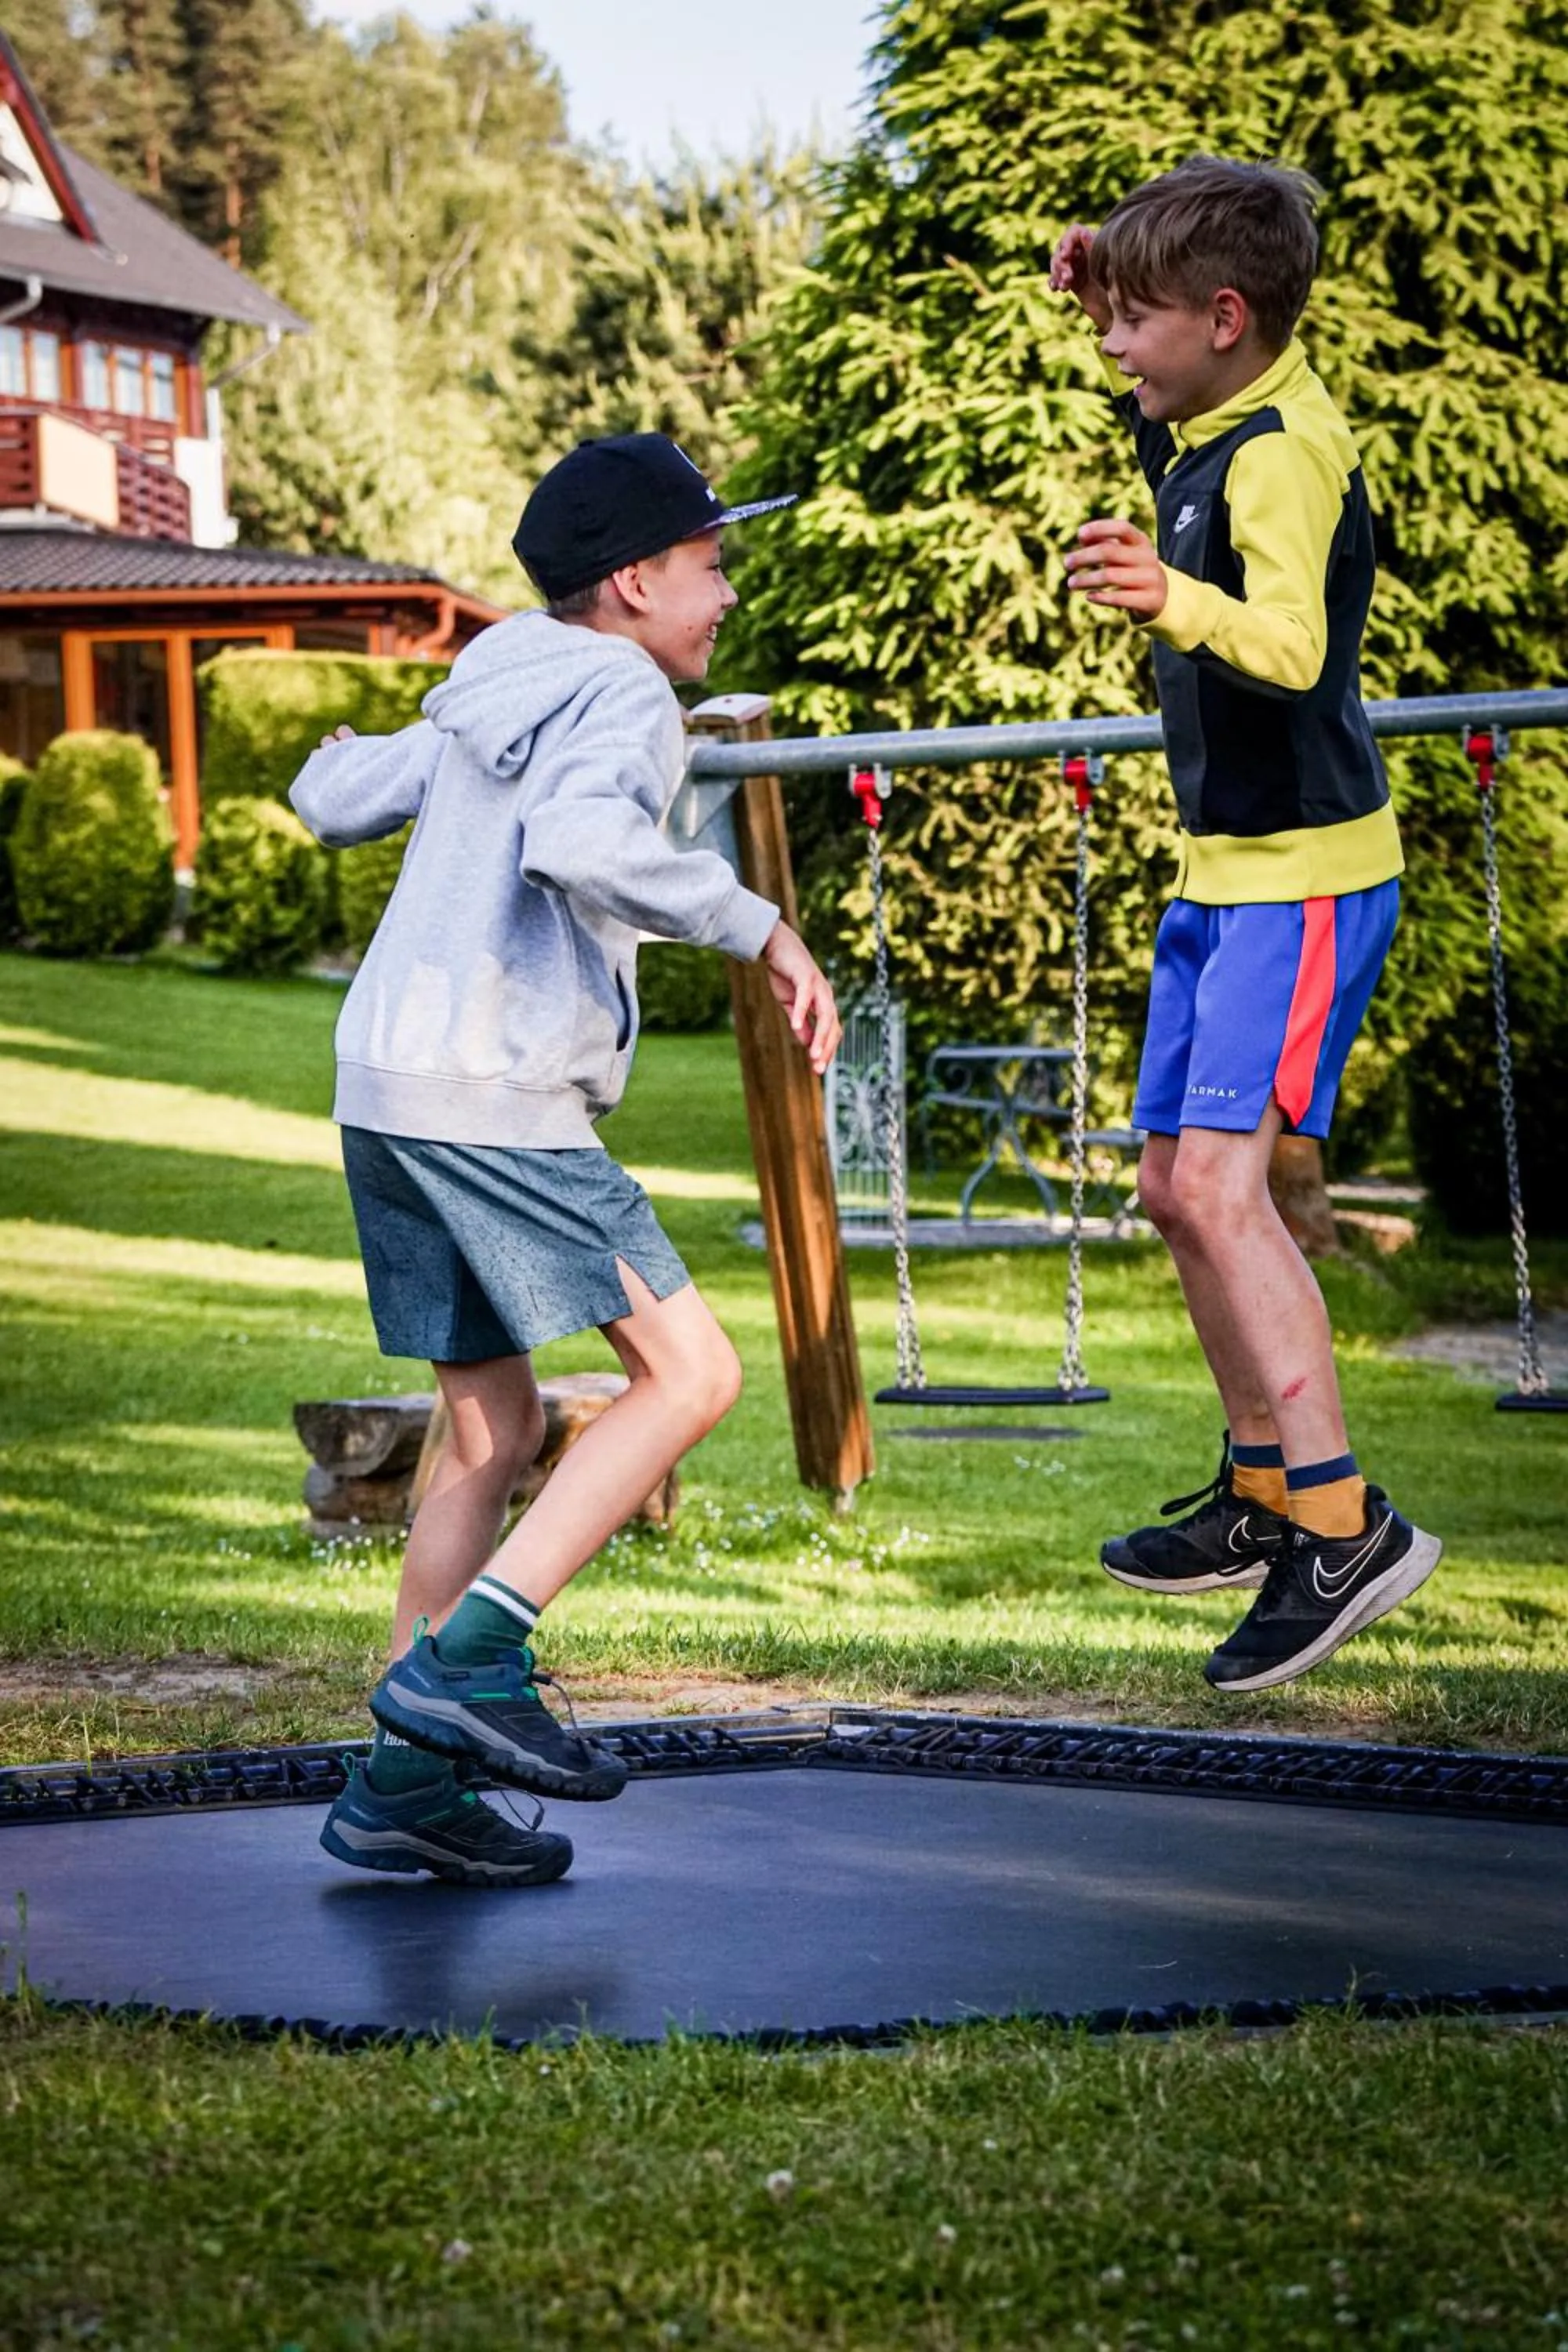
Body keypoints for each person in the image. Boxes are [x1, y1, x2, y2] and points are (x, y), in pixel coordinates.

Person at [291, 434, 841, 1884]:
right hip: (493, 1092)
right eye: (711, 567)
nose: (726, 592)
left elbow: (339, 798)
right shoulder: (620, 693)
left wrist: (341, 760)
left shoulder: (499, 681)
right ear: (636, 578)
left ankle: (404, 1789)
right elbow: (582, 842)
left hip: (387, 1085)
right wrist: (762, 922)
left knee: (489, 1431)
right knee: (696, 1375)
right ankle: (473, 1664)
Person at [1050, 156, 1440, 1692]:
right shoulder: (1214, 414)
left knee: (1224, 1191)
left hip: (1306, 875)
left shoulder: (1282, 452)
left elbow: (1287, 645)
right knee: (1168, 1187)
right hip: (1227, 875)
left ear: (1224, 319)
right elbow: (1171, 375)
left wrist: (1168, 601)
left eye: (1135, 322)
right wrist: (1110, 284)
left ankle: (1342, 1526)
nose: (1107, 348)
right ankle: (1262, 1491)